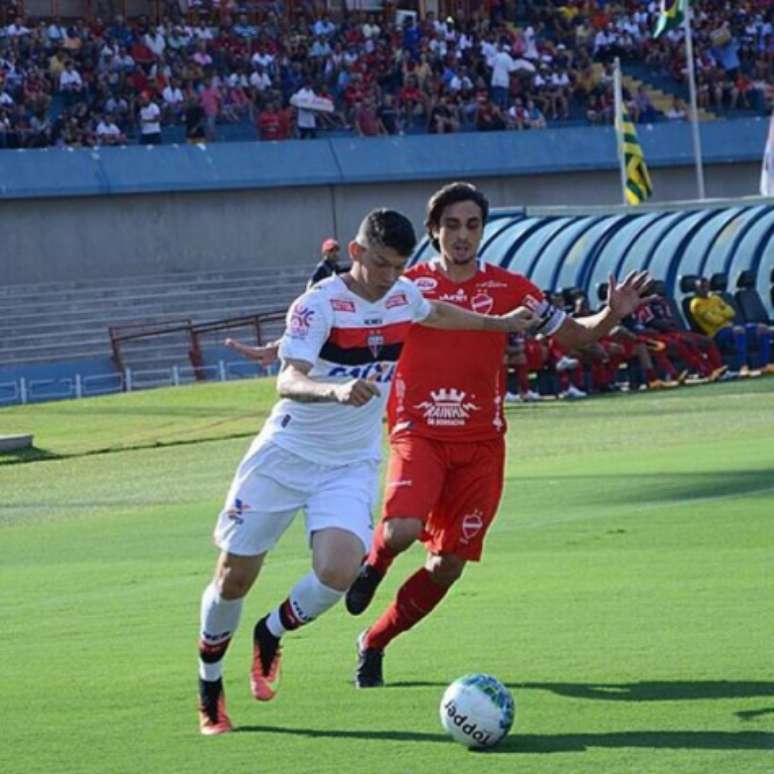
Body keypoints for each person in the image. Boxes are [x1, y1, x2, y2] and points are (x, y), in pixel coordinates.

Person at [196, 207, 540, 735]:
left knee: (339, 572)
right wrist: (332, 390)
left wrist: (498, 324)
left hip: (349, 463)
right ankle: (210, 685)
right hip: (286, 454)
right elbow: (288, 380)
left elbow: (438, 312)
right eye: (379, 264)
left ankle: (270, 633)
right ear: (355, 253)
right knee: (233, 578)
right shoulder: (317, 305)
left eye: (398, 266)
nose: (388, 277)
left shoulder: (404, 294)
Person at [343, 182, 655, 688]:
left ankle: (374, 642)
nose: (462, 235)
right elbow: (347, 308)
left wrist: (611, 315)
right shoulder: (409, 285)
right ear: (433, 231)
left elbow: (574, 334)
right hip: (418, 431)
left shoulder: (514, 289)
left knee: (446, 566)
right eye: (451, 225)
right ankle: (373, 566)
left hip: (482, 446)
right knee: (400, 530)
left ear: (482, 230)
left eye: (471, 225)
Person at [689, 277, 772, 375]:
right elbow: (714, 321)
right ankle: (743, 367)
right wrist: (722, 312)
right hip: (716, 334)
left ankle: (766, 365)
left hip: (730, 329)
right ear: (696, 289)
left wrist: (719, 313)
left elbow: (731, 313)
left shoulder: (715, 298)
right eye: (701, 287)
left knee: (762, 329)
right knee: (739, 330)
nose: (705, 289)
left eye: (707, 286)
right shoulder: (696, 304)